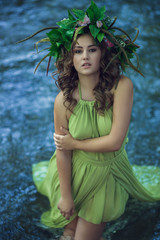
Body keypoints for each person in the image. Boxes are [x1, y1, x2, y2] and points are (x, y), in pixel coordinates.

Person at [25, 2, 160, 240]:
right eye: (78, 51)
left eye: (92, 50)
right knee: (69, 228)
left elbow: (115, 142)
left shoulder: (122, 87)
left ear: (103, 53)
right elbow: (62, 152)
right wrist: (66, 195)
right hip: (72, 172)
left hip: (106, 172)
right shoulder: (63, 101)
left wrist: (74, 144)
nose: (85, 56)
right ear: (70, 58)